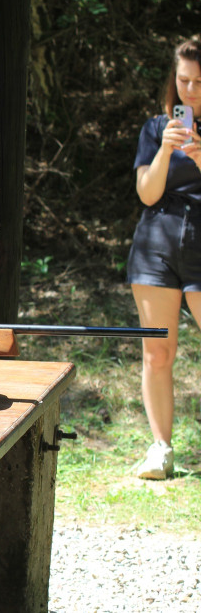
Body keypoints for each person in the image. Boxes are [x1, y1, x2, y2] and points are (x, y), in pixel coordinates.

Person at [127, 35, 201, 480]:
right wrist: (166, 149)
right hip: (156, 244)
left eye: (199, 82)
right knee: (157, 353)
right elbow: (147, 193)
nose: (190, 90)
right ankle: (161, 449)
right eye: (184, 80)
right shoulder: (157, 128)